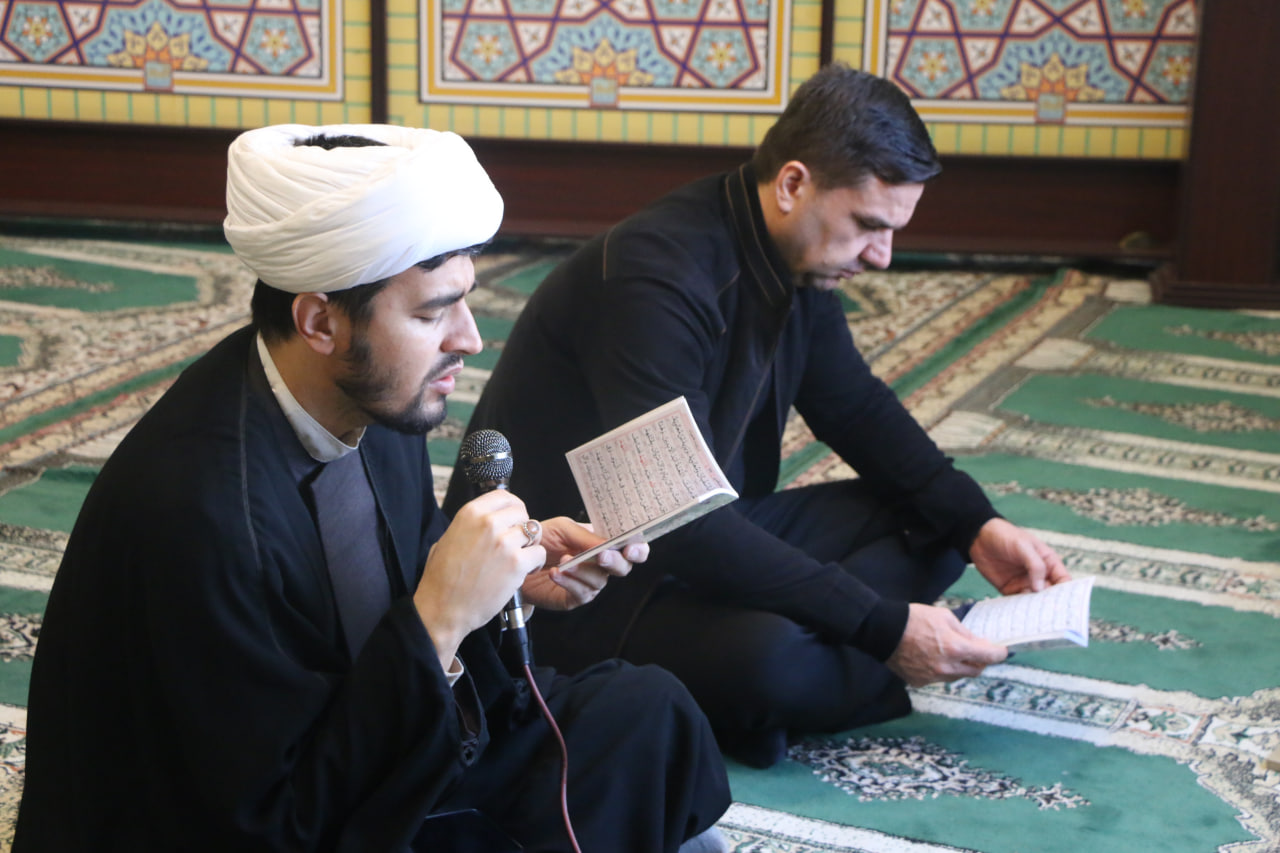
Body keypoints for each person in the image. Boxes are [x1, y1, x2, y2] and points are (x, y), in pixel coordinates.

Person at [14, 124, 730, 851]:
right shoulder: (201, 516)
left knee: (647, 716)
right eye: (431, 312)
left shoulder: (372, 396)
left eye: (464, 301)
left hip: (373, 751)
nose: (469, 338)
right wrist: (439, 620)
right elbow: (272, 822)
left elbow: (393, 584)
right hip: (271, 821)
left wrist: (505, 579)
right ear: (320, 321)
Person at [444, 64, 1071, 769]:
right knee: (771, 661)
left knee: (936, 526)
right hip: (580, 584)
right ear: (793, 184)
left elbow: (856, 409)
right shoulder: (655, 276)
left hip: (704, 536)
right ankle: (789, 689)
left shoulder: (796, 258)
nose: (882, 256)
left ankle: (787, 691)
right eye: (869, 225)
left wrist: (979, 523)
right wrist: (883, 627)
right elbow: (678, 521)